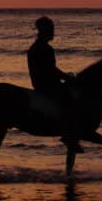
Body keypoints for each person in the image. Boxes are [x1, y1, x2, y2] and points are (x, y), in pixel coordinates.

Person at [27, 16, 83, 153]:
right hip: (46, 84)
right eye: (51, 29)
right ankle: (68, 135)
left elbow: (49, 69)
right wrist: (67, 78)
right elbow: (50, 70)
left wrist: (63, 76)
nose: (53, 32)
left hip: (41, 82)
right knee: (72, 100)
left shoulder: (35, 47)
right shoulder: (45, 48)